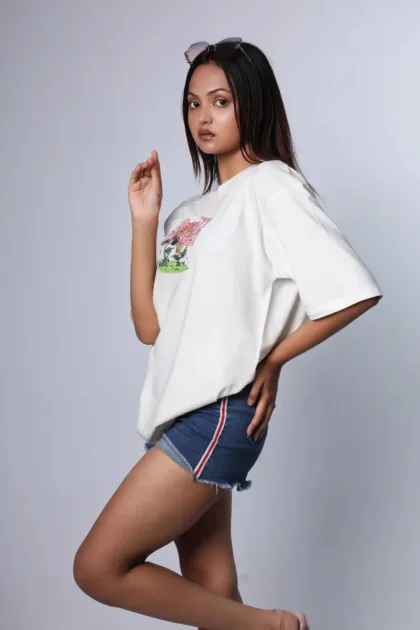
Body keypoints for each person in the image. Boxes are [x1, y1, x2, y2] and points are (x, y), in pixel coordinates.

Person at [73, 38, 383, 630]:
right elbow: (149, 327)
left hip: (217, 412)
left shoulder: (271, 187)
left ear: (253, 104)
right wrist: (144, 220)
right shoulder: (189, 214)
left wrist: (273, 359)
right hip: (179, 411)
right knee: (213, 591)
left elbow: (354, 290)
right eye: (193, 103)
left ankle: (276, 626)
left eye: (220, 101)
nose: (203, 117)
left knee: (97, 568)